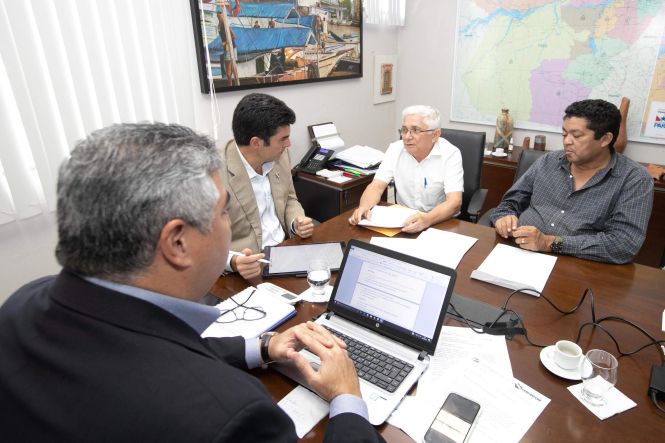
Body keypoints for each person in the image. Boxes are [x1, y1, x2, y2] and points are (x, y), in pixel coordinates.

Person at [0, 123, 383, 442]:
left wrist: (262, 347)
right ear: (178, 242)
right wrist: (348, 398)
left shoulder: (20, 305)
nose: (228, 223)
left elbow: (145, 345)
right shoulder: (231, 415)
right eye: (222, 211)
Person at [490, 99, 654, 264]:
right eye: (564, 134)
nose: (567, 141)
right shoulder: (549, 161)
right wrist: (504, 217)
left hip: (578, 266)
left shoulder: (634, 179)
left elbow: (623, 245)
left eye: (576, 135)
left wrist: (551, 243)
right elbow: (509, 203)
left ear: (605, 139)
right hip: (516, 253)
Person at [221, 93, 314, 280]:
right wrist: (233, 261)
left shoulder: (279, 156)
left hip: (285, 252)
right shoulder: (214, 173)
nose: (288, 145)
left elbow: (289, 198)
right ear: (256, 143)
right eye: (283, 139)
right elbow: (200, 242)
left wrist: (296, 222)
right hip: (245, 269)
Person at [349, 105, 464, 233]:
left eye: (415, 130)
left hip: (439, 221)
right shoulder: (395, 149)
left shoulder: (450, 154)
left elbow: (454, 202)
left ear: (435, 135)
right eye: (404, 130)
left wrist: (426, 220)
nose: (407, 137)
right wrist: (364, 207)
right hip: (402, 222)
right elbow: (377, 186)